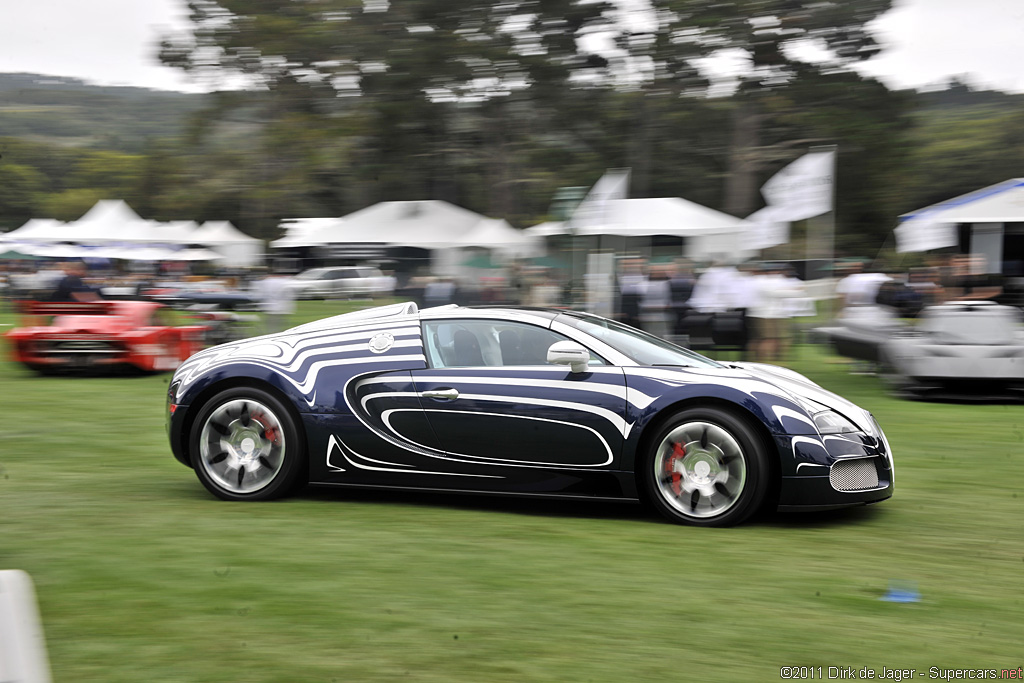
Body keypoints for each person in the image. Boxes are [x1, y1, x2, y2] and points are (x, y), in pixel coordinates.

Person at [255, 268, 296, 334]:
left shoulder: (266, 281)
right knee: (280, 326)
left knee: (270, 326)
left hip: (269, 306)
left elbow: (260, 293)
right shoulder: (284, 281)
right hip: (281, 306)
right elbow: (289, 295)